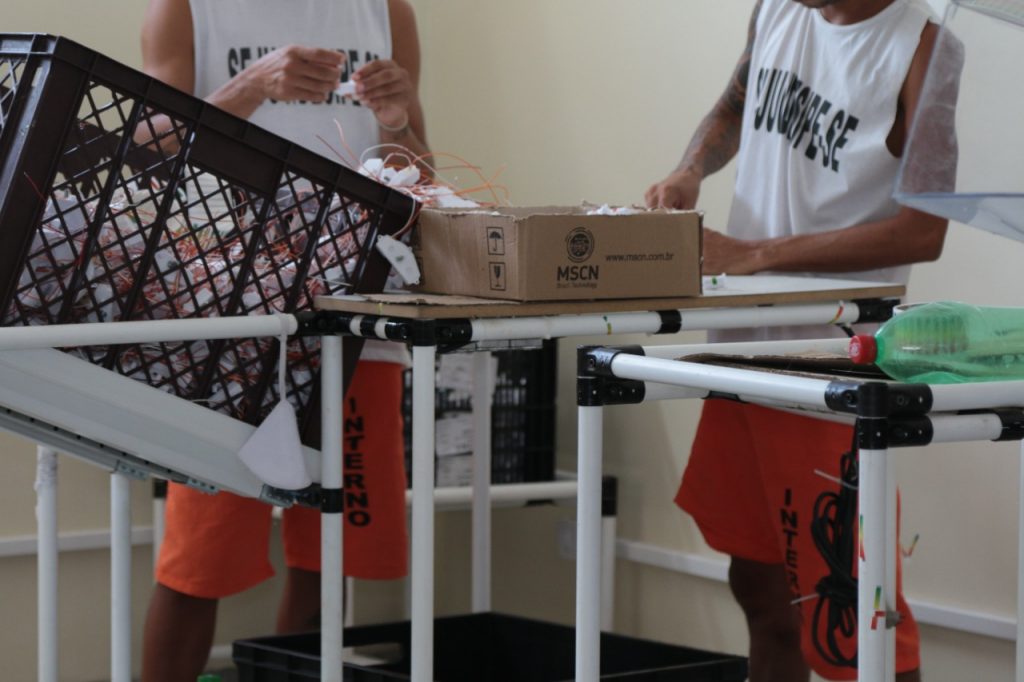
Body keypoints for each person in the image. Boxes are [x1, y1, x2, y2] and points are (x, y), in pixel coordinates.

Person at [646, 0, 960, 680]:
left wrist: (754, 255)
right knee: (761, 593)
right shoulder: (778, 11)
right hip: (744, 352)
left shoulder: (924, 50)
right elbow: (735, 104)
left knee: (857, 627)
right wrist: (690, 169)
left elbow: (923, 232)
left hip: (836, 365)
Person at [139, 1, 428, 680]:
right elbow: (145, 144)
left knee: (329, 554)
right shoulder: (186, 8)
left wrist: (397, 120)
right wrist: (250, 87)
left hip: (357, 308)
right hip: (230, 316)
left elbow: (418, 170)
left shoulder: (387, 11)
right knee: (199, 558)